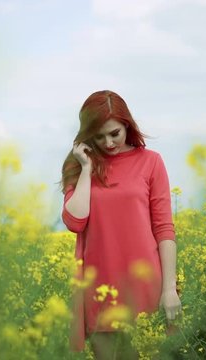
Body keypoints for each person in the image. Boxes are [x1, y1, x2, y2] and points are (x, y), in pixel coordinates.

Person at [60, 90, 181, 359]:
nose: (108, 142)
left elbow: (164, 228)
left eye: (114, 133)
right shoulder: (78, 167)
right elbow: (75, 221)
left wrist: (169, 288)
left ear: (127, 124)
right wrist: (87, 170)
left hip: (144, 283)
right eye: (99, 136)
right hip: (99, 287)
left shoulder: (151, 162)